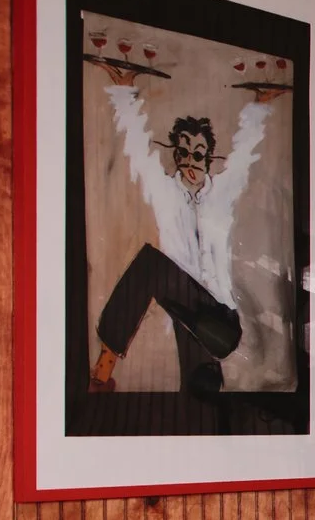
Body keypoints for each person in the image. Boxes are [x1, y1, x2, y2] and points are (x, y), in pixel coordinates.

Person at [90, 80, 271, 399]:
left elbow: (244, 157)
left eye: (198, 155)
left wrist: (258, 107)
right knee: (198, 398)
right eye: (183, 153)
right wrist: (123, 94)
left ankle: (104, 366)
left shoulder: (222, 193)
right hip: (187, 318)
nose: (190, 162)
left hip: (220, 321)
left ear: (209, 159)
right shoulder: (167, 194)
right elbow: (139, 152)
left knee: (152, 266)